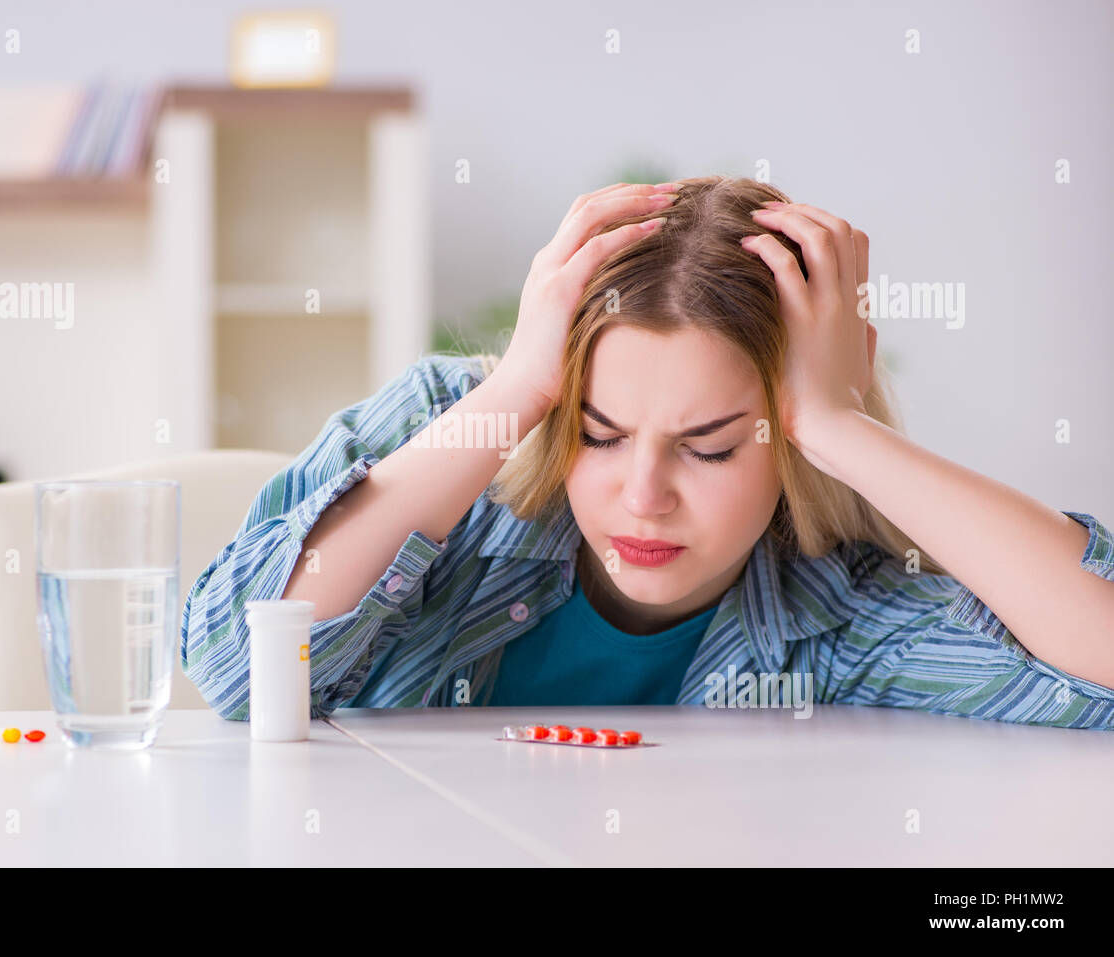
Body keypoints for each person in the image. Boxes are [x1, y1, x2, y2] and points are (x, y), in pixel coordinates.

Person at [181, 176, 1114, 728]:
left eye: (709, 449)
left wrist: (840, 425)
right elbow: (233, 669)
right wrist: (515, 393)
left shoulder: (837, 611)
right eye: (598, 433)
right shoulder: (458, 429)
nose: (643, 496)